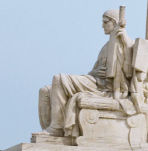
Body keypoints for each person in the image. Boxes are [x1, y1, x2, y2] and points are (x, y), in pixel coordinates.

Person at [40, 9, 133, 137]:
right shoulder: (106, 47)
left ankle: (56, 127)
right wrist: (95, 71)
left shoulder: (126, 43)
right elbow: (93, 72)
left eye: (106, 22)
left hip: (106, 88)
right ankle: (52, 133)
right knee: (45, 91)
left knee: (59, 78)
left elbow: (132, 66)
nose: (102, 26)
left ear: (115, 22)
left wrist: (124, 39)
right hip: (95, 82)